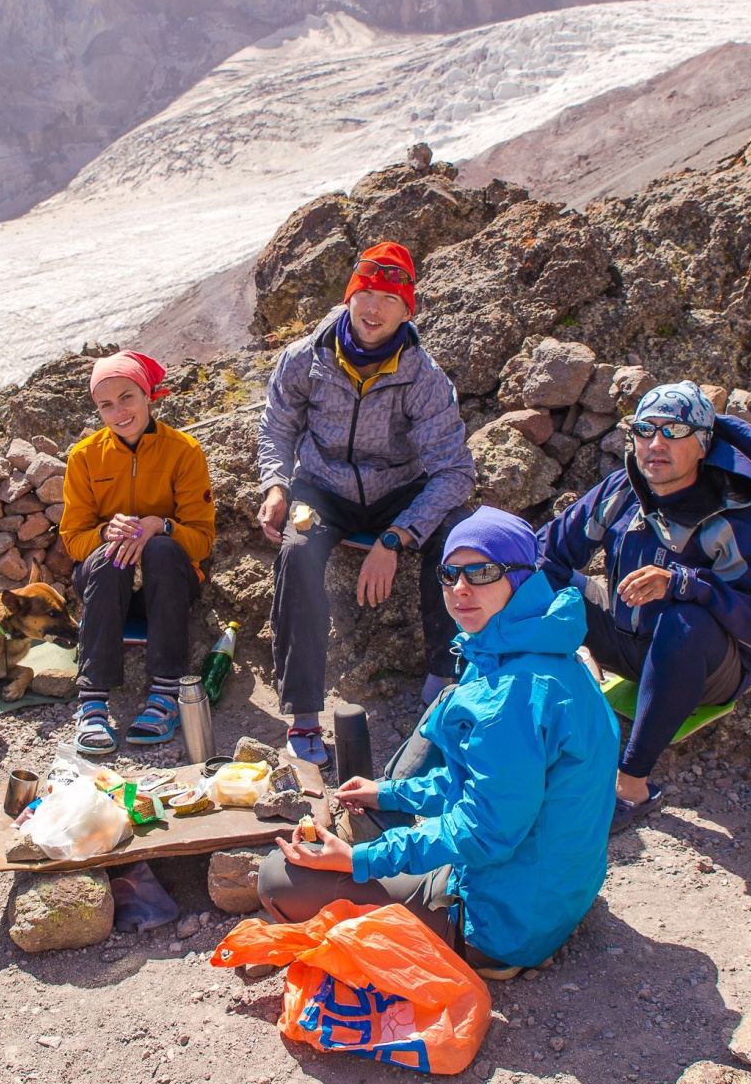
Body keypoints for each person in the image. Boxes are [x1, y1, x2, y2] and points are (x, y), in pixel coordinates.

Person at [257, 507, 619, 976]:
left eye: (482, 571)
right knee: (381, 839)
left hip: (501, 925)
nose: (460, 588)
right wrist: (390, 792)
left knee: (278, 879)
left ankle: (455, 949)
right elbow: (488, 782)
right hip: (549, 889)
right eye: (449, 574)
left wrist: (357, 858)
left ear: (523, 577)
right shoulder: (547, 649)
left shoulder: (511, 692)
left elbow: (486, 829)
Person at [537, 381, 751, 832]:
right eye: (644, 429)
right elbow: (548, 553)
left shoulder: (742, 513)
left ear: (702, 444)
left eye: (673, 431)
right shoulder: (623, 489)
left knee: (684, 622)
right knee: (534, 578)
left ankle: (632, 785)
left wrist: (685, 584)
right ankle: (527, 727)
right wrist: (567, 637)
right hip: (625, 637)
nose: (655, 444)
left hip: (706, 665)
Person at [255, 241, 476, 765]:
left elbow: (454, 470)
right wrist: (276, 485)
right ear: (350, 296)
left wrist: (397, 537)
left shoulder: (422, 376)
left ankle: (443, 682)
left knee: (455, 539)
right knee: (297, 550)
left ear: (407, 311)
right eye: (365, 294)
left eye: (388, 299)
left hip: (398, 493)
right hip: (322, 490)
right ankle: (304, 714)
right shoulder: (304, 358)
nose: (373, 309)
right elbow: (277, 427)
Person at [60, 350, 216, 752]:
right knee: (112, 556)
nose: (118, 412)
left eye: (127, 397)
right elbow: (74, 540)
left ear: (149, 395)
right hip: (105, 587)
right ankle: (92, 703)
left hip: (167, 588)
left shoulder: (184, 451)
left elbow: (201, 541)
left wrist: (159, 526)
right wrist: (104, 534)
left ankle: (165, 693)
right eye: (105, 405)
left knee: (163, 548)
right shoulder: (84, 458)